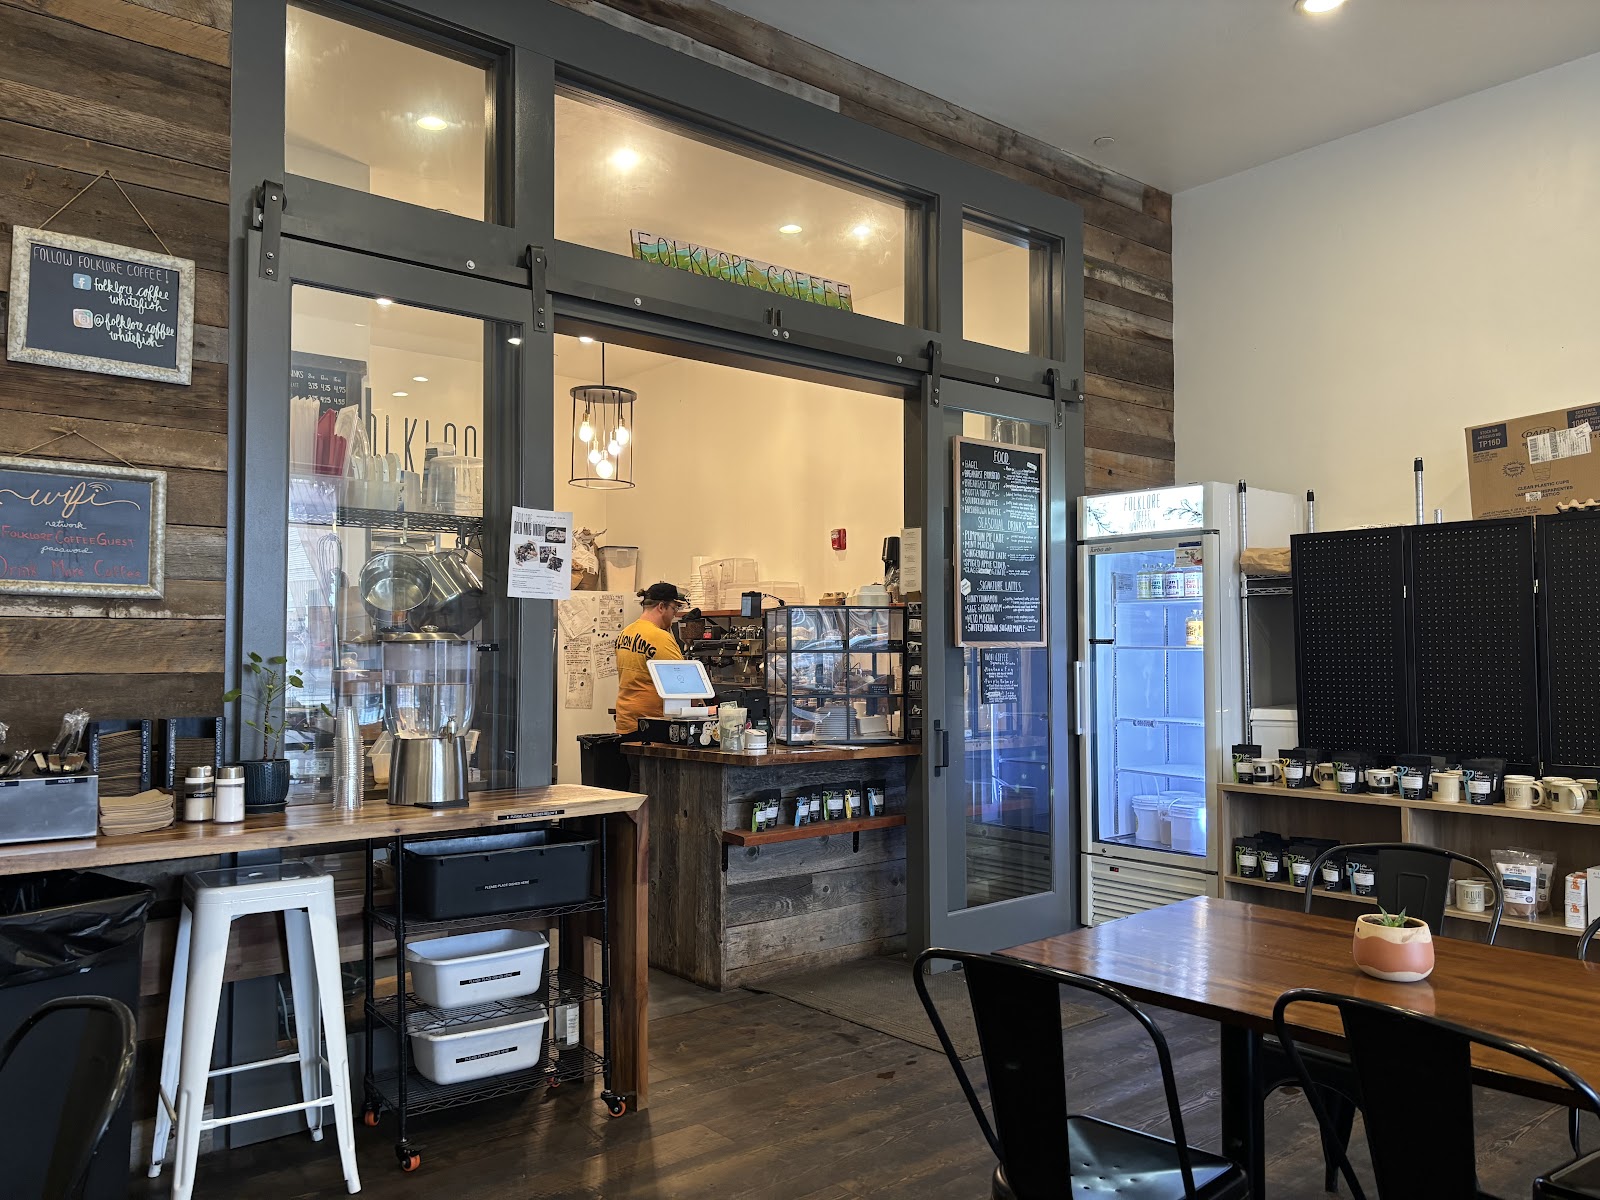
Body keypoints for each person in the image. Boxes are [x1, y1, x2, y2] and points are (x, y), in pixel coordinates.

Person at [613, 581, 689, 737]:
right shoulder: (660, 637)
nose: (674, 615)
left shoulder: (625, 633)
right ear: (661, 607)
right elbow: (684, 684)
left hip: (626, 721)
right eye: (674, 609)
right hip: (652, 725)